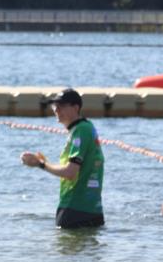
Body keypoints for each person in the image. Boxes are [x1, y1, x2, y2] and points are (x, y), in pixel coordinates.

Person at [20, 88, 105, 229]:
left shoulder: (80, 130)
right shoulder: (85, 127)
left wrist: (41, 164)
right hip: (91, 210)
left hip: (75, 210)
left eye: (62, 106)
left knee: (65, 250)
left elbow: (70, 173)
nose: (56, 109)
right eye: (55, 106)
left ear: (76, 108)